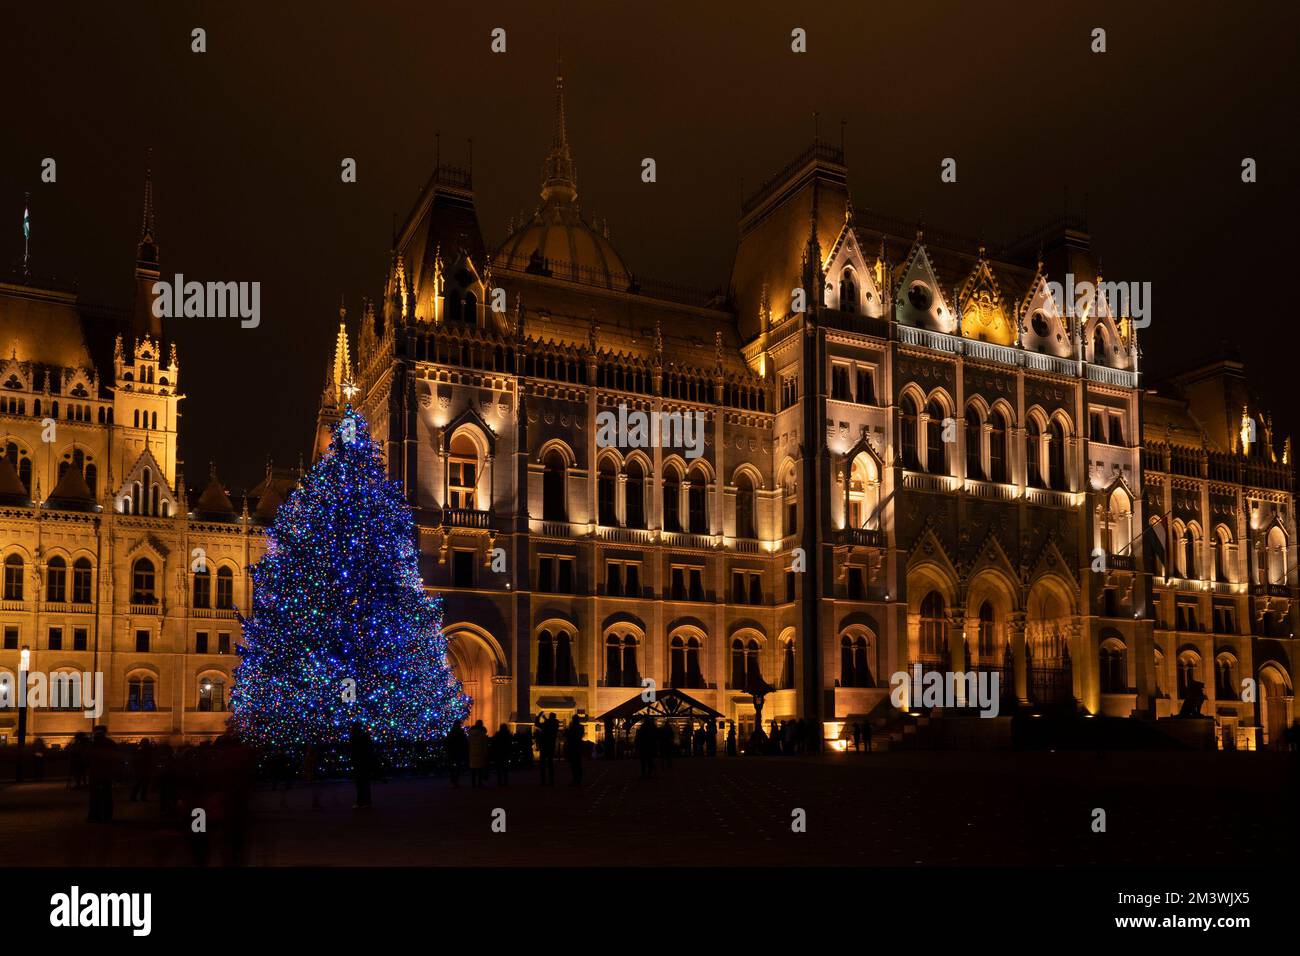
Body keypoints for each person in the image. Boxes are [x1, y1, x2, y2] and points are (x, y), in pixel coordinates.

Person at [86, 726, 117, 823]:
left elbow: (87, 758)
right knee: (107, 795)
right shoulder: (110, 743)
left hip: (95, 773)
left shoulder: (92, 744)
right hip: (106, 773)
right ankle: (107, 816)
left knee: (95, 796)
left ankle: (95, 815)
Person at [348, 721, 375, 808]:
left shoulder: (354, 737)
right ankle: (366, 802)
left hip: (359, 762)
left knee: (360, 784)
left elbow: (352, 751)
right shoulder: (364, 736)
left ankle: (361, 802)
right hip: (364, 762)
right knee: (364, 783)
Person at [468, 720, 489, 788]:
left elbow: (468, 743)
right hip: (480, 753)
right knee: (480, 769)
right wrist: (485, 753)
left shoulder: (470, 734)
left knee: (473, 770)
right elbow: (485, 745)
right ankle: (479, 783)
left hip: (472, 753)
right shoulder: (482, 734)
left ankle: (473, 784)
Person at [538, 712, 558, 786]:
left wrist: (541, 717)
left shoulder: (552, 723)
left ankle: (546, 781)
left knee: (546, 764)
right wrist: (544, 718)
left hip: (546, 745)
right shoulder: (552, 723)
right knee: (548, 764)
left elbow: (538, 724)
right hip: (548, 746)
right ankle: (549, 781)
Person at [446, 720, 467, 788]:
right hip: (458, 751)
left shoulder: (451, 731)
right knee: (458, 766)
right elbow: (464, 741)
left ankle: (453, 780)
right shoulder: (461, 732)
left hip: (452, 751)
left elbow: (448, 741)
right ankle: (456, 780)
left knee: (452, 766)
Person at [565, 715, 585, 786]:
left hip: (574, 747)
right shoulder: (579, 727)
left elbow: (574, 736)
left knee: (575, 765)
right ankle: (577, 779)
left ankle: (577, 779)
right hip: (576, 747)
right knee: (576, 765)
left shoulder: (574, 727)